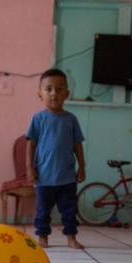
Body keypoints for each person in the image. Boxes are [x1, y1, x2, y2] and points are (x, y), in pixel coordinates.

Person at [26, 68, 86, 249]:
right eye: (49, 89)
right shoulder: (38, 119)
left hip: (67, 177)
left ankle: (71, 238)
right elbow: (31, 145)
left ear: (66, 94)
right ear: (40, 94)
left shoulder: (71, 120)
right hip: (44, 178)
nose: (54, 93)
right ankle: (42, 238)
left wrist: (82, 167)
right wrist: (30, 168)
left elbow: (77, 145)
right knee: (42, 211)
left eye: (59, 89)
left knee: (69, 211)